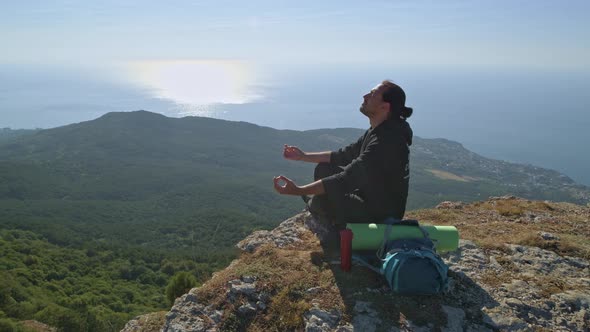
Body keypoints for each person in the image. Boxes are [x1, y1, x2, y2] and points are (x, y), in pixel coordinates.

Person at [273, 80, 413, 224]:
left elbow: (345, 179)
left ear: (385, 107)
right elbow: (343, 155)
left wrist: (299, 190)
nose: (364, 96)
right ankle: (318, 204)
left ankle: (319, 208)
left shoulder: (387, 141)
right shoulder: (379, 130)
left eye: (371, 95)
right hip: (370, 196)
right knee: (324, 168)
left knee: (324, 199)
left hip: (380, 214)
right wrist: (303, 156)